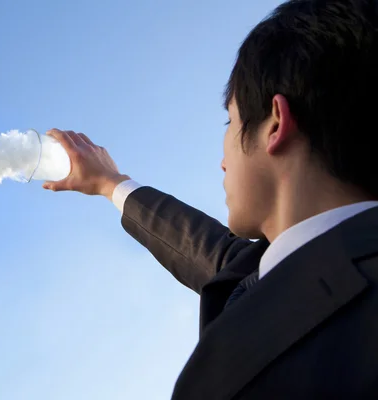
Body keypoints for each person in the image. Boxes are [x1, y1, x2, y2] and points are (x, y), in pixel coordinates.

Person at [42, 0, 378, 398]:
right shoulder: (277, 272)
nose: (222, 162)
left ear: (275, 123)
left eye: (230, 120)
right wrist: (109, 183)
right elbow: (218, 259)